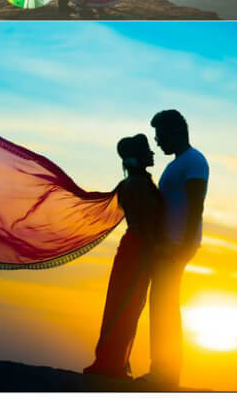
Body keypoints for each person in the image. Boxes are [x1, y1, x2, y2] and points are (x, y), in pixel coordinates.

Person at [138, 110, 209, 390]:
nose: (157, 141)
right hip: (168, 245)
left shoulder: (194, 161)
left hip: (176, 246)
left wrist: (185, 246)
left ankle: (165, 375)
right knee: (162, 306)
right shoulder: (179, 163)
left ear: (175, 132)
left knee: (165, 307)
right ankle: (163, 372)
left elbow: (196, 206)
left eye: (160, 135)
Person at [84, 134, 163, 379]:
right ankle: (111, 365)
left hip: (133, 248)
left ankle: (113, 362)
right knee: (126, 307)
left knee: (122, 305)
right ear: (136, 157)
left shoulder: (131, 183)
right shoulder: (138, 184)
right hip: (138, 250)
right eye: (147, 150)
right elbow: (150, 221)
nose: (152, 153)